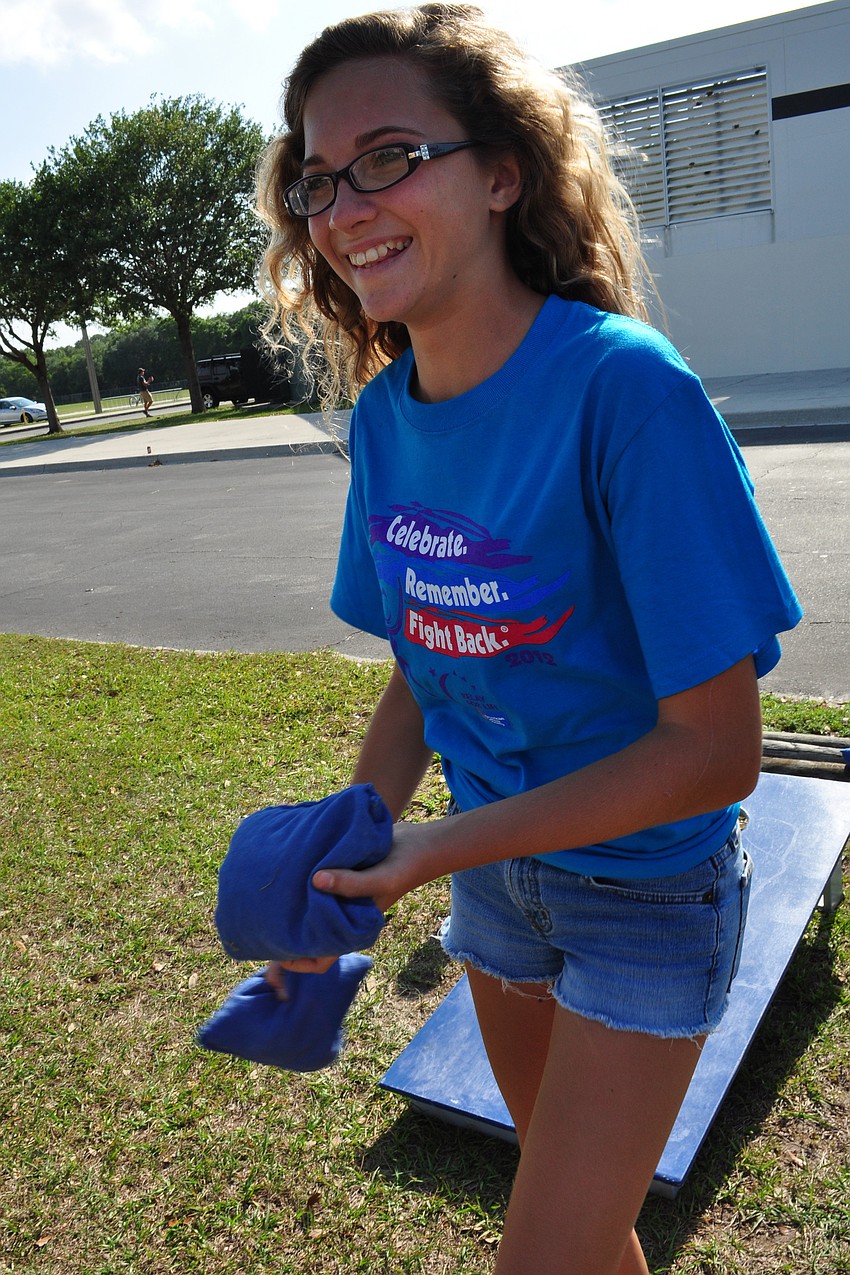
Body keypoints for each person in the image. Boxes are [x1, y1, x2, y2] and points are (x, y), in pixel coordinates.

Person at [255, 6, 802, 1272]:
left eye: (390, 155)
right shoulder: (387, 421)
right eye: (318, 179)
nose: (343, 205)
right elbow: (419, 658)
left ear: (502, 174)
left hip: (647, 894)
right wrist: (350, 839)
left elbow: (715, 754)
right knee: (585, 1235)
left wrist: (432, 844)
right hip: (501, 887)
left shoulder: (626, 391)